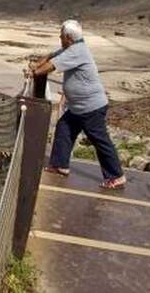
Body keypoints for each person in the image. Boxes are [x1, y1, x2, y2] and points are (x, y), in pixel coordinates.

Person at [27, 19, 126, 189]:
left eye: (61, 35)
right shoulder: (71, 48)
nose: (59, 37)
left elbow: (48, 68)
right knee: (64, 128)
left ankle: (116, 176)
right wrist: (36, 64)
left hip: (91, 107)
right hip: (79, 107)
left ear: (68, 37)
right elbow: (51, 57)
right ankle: (60, 165)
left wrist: (35, 71)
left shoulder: (76, 52)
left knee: (100, 140)